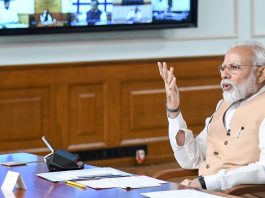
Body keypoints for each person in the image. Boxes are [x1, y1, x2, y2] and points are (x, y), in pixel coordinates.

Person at [158, 40, 265, 191]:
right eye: (223, 68)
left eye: (234, 67)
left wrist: (207, 182)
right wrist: (174, 110)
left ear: (260, 73)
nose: (224, 74)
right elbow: (191, 159)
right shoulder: (223, 105)